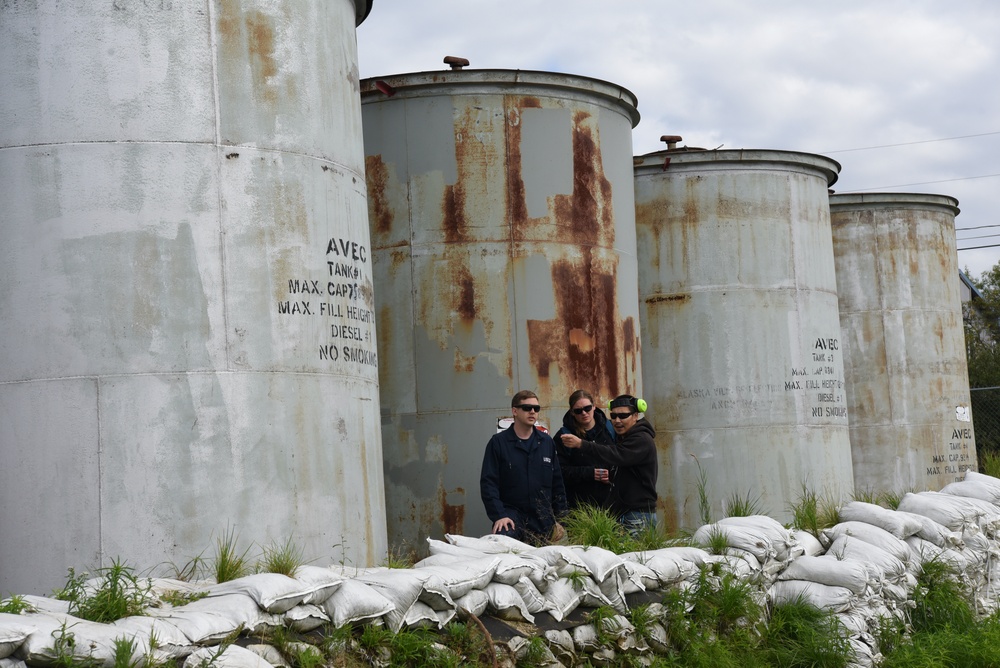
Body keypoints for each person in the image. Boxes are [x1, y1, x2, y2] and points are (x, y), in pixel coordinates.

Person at [559, 394, 658, 534]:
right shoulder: (624, 437)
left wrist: (582, 444)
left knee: (635, 555)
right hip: (623, 513)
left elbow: (617, 454)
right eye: (614, 416)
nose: (617, 421)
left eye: (623, 416)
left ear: (635, 416)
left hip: (637, 515)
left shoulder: (641, 439)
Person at [480, 390, 567, 545]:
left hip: (542, 519)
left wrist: (561, 521)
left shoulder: (546, 442)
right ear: (515, 411)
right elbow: (488, 483)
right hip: (511, 516)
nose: (532, 411)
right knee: (505, 547)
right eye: (527, 408)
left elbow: (557, 484)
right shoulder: (498, 443)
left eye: (536, 408)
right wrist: (499, 515)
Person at [554, 389, 616, 510]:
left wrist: (612, 475)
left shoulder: (610, 429)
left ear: (594, 407)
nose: (584, 413)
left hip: (610, 502)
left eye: (587, 408)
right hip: (579, 505)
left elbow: (622, 458)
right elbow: (559, 471)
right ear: (572, 412)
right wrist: (590, 473)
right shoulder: (564, 436)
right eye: (578, 411)